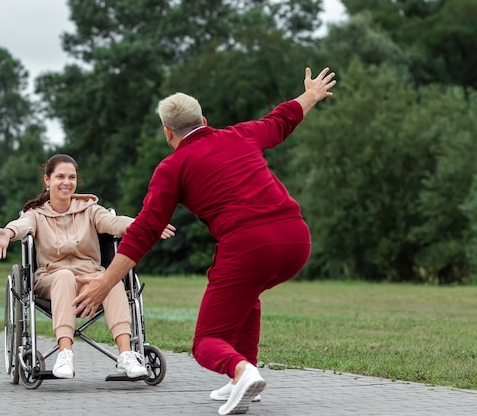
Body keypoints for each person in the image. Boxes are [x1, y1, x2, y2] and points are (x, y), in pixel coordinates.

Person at [72, 67, 336, 414]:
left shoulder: (172, 167)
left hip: (250, 247)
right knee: (248, 295)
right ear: (204, 120)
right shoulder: (241, 134)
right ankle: (243, 381)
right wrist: (311, 95)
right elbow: (281, 119)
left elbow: (145, 230)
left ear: (169, 133)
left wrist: (107, 281)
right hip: (296, 239)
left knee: (206, 343)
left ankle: (241, 371)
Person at [0, 154, 175, 380]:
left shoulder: (90, 209)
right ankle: (65, 353)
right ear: (47, 180)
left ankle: (127, 355)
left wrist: (147, 225)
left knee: (109, 279)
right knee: (64, 275)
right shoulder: (36, 215)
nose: (67, 182)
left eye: (71, 177)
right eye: (60, 177)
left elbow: (114, 223)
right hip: (51, 279)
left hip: (89, 279)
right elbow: (22, 225)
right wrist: (8, 232)